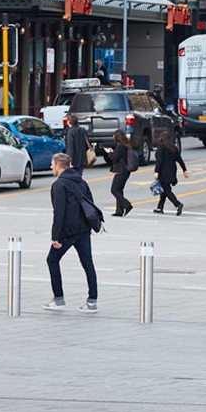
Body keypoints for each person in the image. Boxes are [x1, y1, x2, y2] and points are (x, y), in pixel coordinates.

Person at [43, 152, 98, 313]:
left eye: (52, 164)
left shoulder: (59, 185)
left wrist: (55, 236)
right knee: (88, 263)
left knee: (52, 260)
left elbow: (59, 212)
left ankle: (58, 298)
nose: (51, 167)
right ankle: (92, 301)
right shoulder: (81, 181)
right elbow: (90, 203)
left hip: (67, 231)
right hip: (83, 229)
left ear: (59, 165)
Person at [152, 131, 187, 215]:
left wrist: (156, 171)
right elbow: (180, 160)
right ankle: (159, 207)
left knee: (166, 190)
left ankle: (177, 204)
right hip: (171, 170)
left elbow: (159, 161)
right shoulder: (174, 148)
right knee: (164, 190)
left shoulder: (161, 147)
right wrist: (184, 170)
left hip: (163, 171)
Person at [109, 130, 137, 217]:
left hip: (121, 171)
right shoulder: (126, 145)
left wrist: (109, 152)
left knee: (114, 190)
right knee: (119, 190)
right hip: (125, 171)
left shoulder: (120, 147)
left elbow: (115, 158)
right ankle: (119, 211)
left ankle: (127, 205)